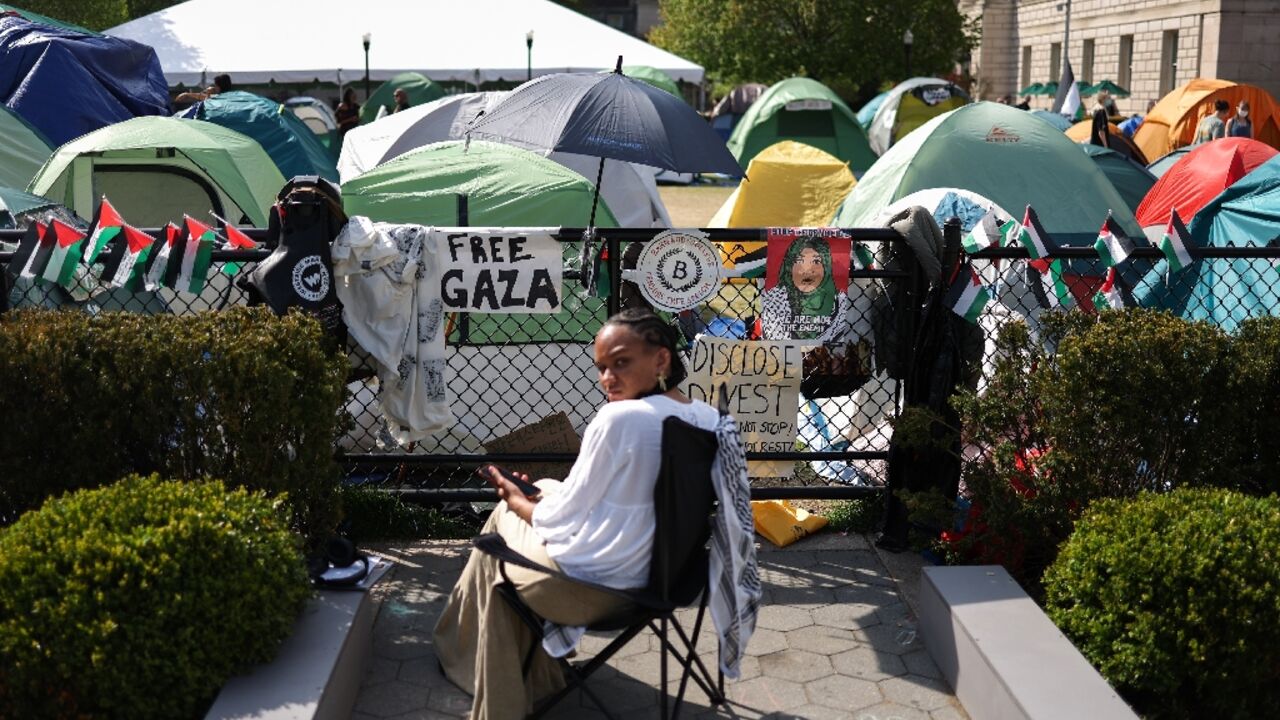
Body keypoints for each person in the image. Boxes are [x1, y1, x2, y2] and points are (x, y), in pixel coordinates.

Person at [432, 309, 722, 720]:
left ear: (661, 360)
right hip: (670, 582)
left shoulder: (619, 418)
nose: (608, 378)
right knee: (547, 489)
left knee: (498, 539)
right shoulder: (711, 421)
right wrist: (537, 496)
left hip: (593, 592)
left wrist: (517, 501)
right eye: (602, 367)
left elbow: (563, 519)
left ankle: (479, 667)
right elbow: (615, 500)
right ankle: (526, 666)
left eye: (621, 362)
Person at [760, 235, 852, 341]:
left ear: (826, 267)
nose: (807, 270)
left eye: (816, 262)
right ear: (789, 266)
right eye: (799, 261)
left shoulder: (839, 301)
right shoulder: (776, 298)